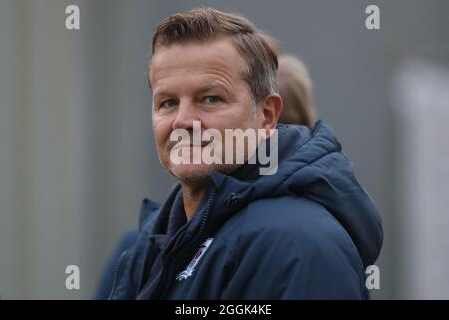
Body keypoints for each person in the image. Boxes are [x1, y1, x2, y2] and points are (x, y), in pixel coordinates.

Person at [101, 7, 382, 300]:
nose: (182, 121)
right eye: (168, 102)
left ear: (268, 114)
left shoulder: (298, 243)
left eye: (210, 99)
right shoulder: (156, 241)